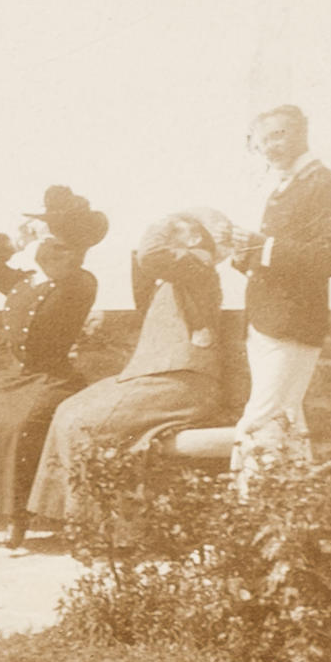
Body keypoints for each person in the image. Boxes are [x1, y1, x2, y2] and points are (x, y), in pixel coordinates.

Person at [26, 210, 230, 530]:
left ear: (194, 239)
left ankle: (102, 530)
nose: (167, 237)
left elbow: (150, 254)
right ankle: (71, 517)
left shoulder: (198, 266)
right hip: (155, 374)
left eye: (175, 231)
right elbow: (143, 263)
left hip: (182, 380)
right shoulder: (178, 273)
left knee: (88, 423)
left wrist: (166, 221)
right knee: (68, 410)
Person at [0, 187, 109, 544]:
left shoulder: (80, 282)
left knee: (21, 428)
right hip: (16, 375)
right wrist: (13, 243)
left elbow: (61, 266)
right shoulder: (25, 282)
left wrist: (47, 243)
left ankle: (17, 515)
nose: (49, 245)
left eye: (58, 240)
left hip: (52, 375)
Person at [228, 104, 331, 471]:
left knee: (261, 418)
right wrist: (242, 252)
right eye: (263, 140)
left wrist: (261, 247)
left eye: (279, 135)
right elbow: (271, 258)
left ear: (302, 132)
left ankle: (248, 505)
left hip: (293, 322)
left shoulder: (326, 184)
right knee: (286, 417)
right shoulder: (282, 186)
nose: (270, 146)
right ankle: (299, 506)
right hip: (266, 322)